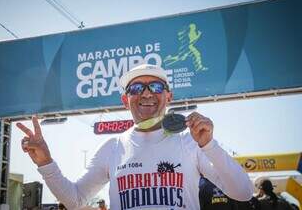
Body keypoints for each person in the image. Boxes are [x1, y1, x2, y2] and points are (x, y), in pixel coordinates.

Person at [17, 64, 253, 209]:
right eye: (136, 88)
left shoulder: (190, 142)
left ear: (169, 97)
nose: (147, 93)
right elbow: (75, 199)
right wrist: (45, 162)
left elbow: (243, 193)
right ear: (125, 99)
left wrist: (209, 145)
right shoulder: (112, 147)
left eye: (156, 87)